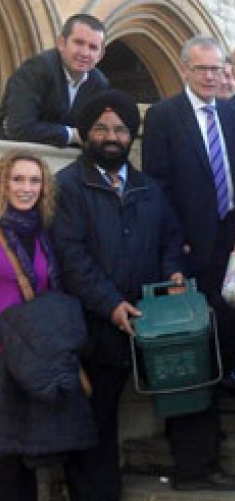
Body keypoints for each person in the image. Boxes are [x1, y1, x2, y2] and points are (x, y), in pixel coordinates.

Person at [51, 90, 235, 497]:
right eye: (101, 129)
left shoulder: (147, 187)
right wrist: (110, 304)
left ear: (130, 137)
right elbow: (72, 258)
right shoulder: (67, 187)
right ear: (87, 135)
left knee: (189, 384)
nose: (111, 136)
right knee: (97, 409)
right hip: (98, 318)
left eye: (120, 129)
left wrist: (174, 272)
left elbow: (170, 238)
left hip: (153, 312)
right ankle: (94, 490)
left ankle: (197, 468)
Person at [141, 36, 235, 487]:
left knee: (226, 344)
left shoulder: (230, 112)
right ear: (185, 69)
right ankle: (194, 464)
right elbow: (158, 187)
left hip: (231, 248)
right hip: (188, 253)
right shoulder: (165, 116)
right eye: (203, 69)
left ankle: (211, 448)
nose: (211, 76)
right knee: (191, 353)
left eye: (217, 69)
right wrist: (176, 246)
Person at [0, 150, 95, 501]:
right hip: (4, 355)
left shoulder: (43, 233)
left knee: (38, 450)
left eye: (34, 181)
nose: (26, 188)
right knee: (8, 459)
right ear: (3, 184)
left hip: (38, 354)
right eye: (18, 179)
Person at [0, 14, 109, 147]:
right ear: (61, 43)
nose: (85, 53)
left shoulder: (99, 83)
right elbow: (18, 128)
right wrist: (71, 135)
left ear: (101, 55)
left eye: (93, 47)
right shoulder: (35, 70)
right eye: (79, 43)